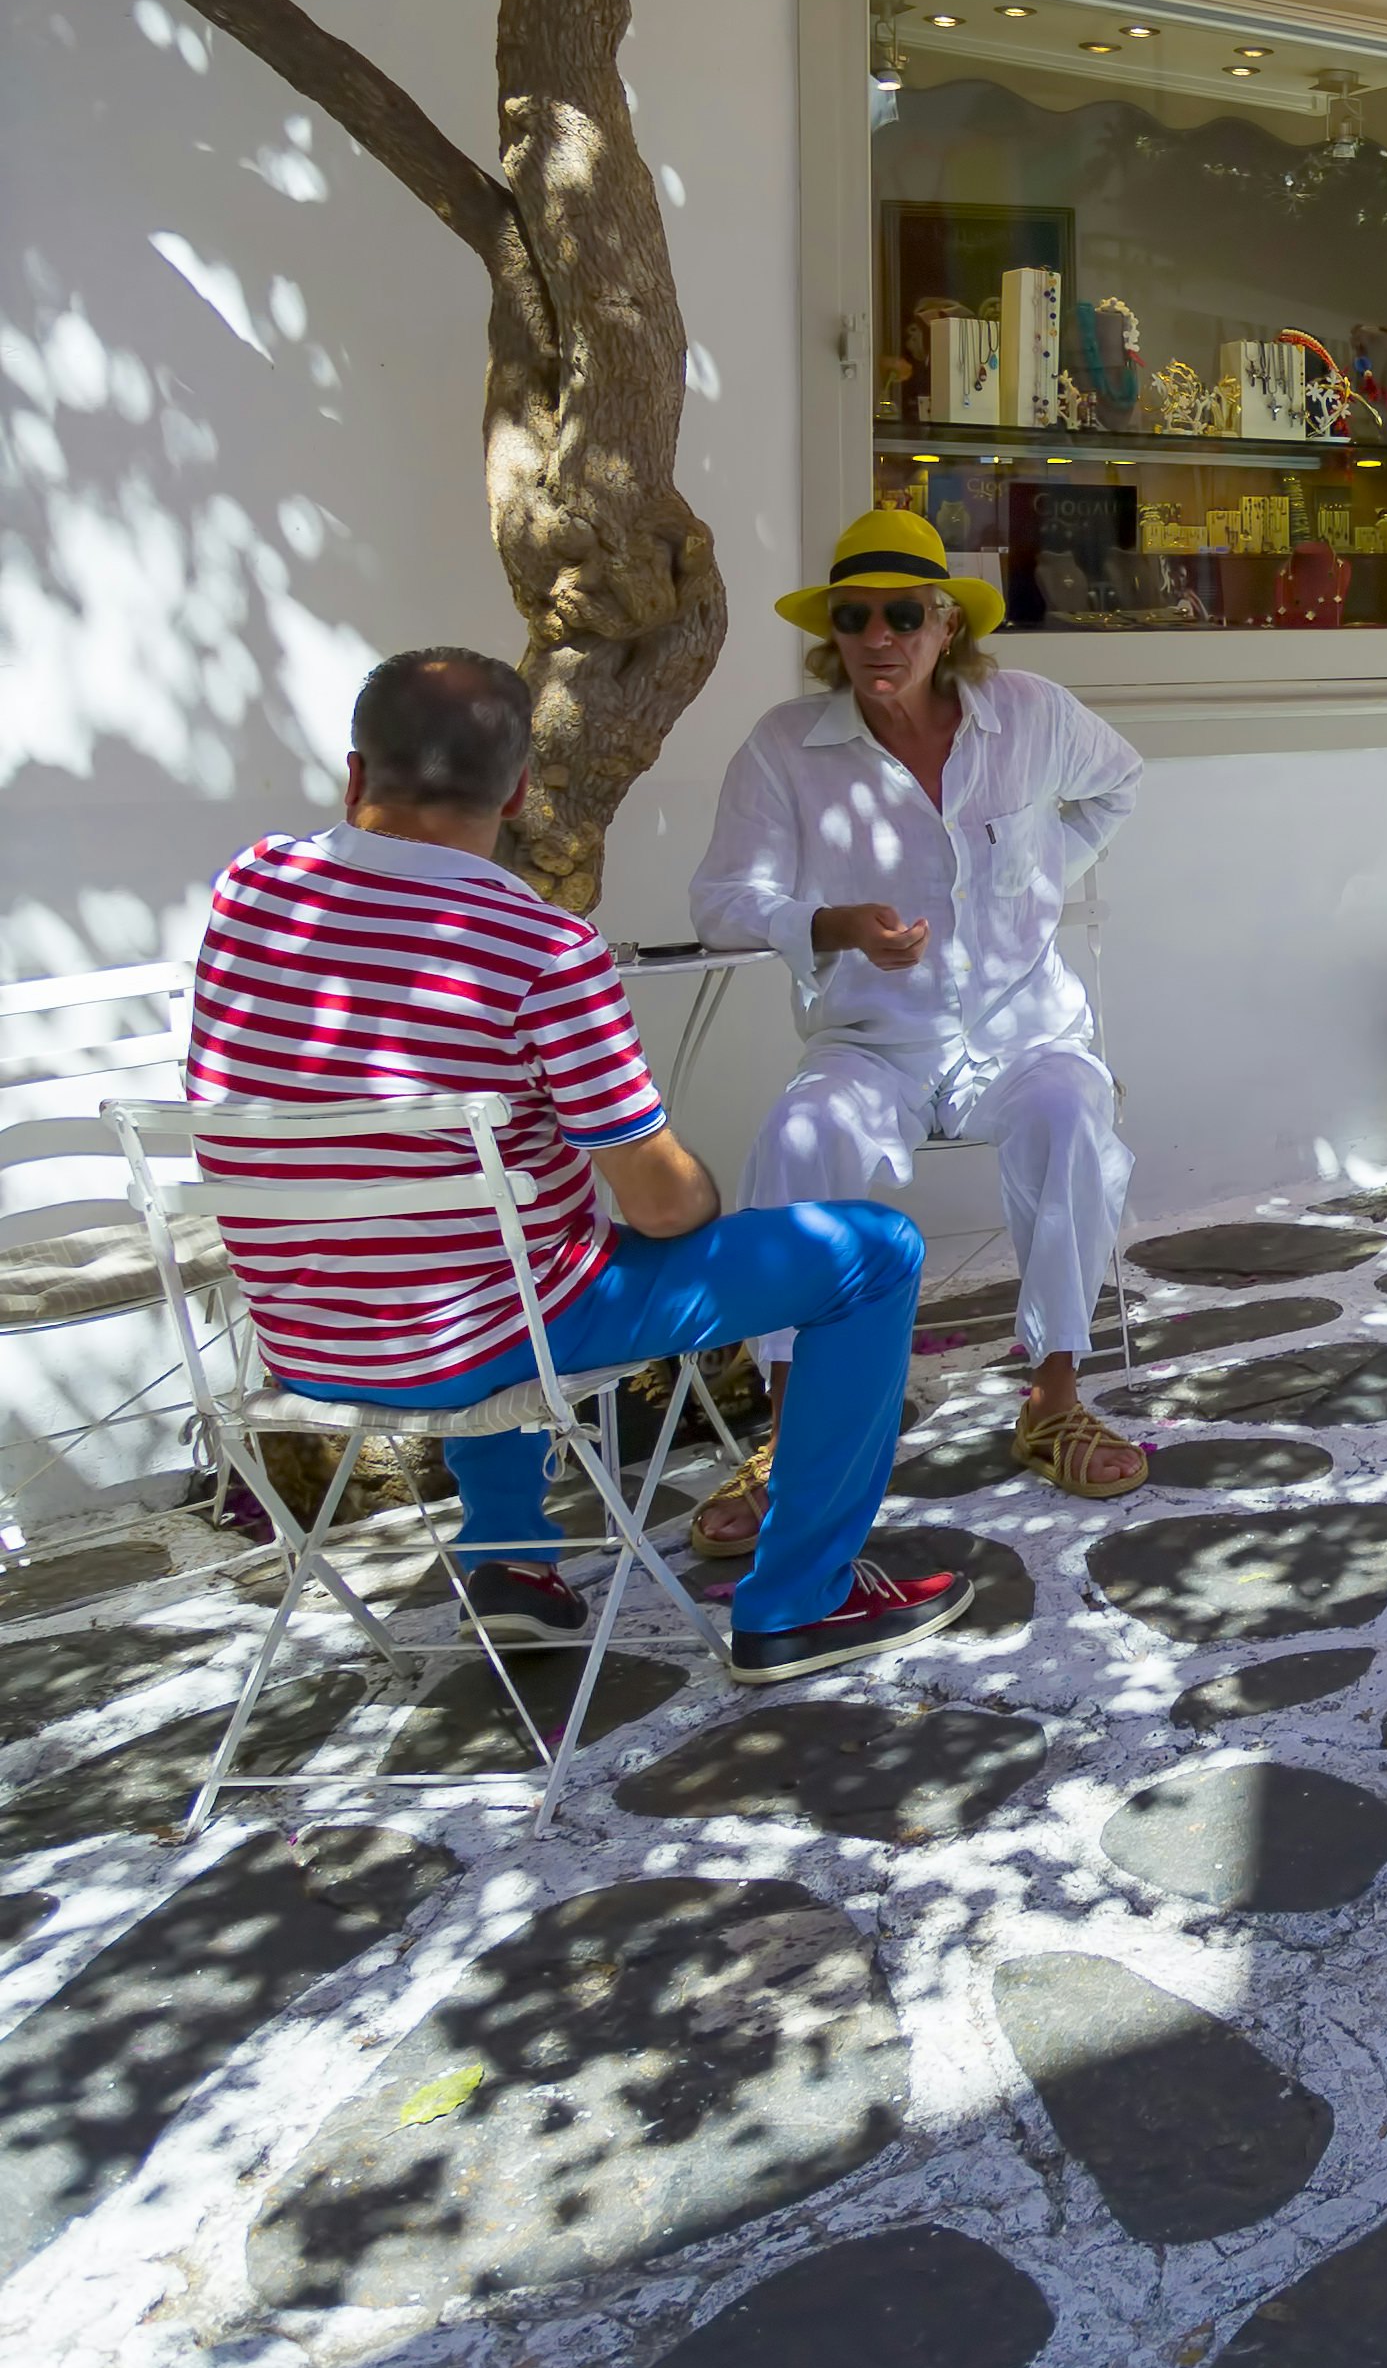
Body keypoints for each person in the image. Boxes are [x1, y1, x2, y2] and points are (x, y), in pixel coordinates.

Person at [183, 647, 960, 1683]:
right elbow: (661, 1205)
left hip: (310, 1342)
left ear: (355, 777)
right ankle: (798, 1601)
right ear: (514, 795)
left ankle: (510, 1563)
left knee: (492, 1240)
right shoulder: (540, 950)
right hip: (480, 1339)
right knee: (872, 1254)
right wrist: (689, 1188)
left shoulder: (250, 888)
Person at [694, 506, 1149, 1521]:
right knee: (797, 1139)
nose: (878, 637)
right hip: (874, 1040)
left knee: (1071, 1113)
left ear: (948, 625)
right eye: (854, 618)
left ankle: (1055, 1401)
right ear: (833, 636)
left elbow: (1116, 785)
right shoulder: (786, 749)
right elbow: (721, 900)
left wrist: (1037, 882)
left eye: (903, 614)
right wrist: (832, 923)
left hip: (1021, 1030)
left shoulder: (1028, 714)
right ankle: (794, 1433)